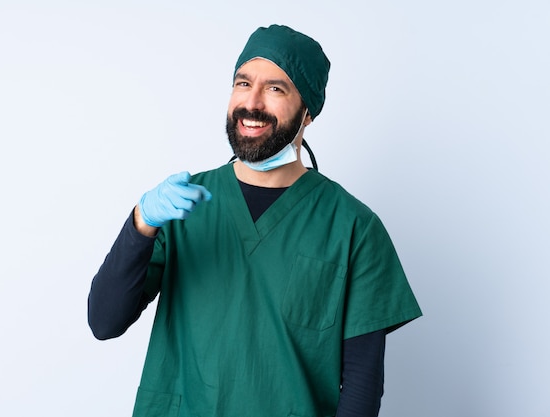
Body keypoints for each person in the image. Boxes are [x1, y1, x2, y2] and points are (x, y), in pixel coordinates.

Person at [88, 24, 422, 417]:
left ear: (308, 112)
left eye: (276, 88)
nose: (253, 102)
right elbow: (104, 322)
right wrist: (141, 223)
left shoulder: (353, 227)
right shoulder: (180, 208)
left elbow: (362, 386)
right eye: (243, 83)